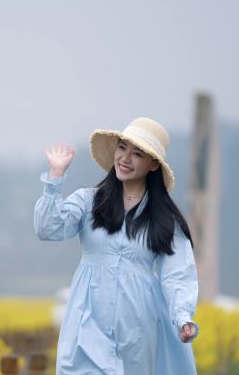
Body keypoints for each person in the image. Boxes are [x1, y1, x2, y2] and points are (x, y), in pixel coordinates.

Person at [34, 117, 199, 375]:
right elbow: (48, 228)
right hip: (87, 320)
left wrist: (182, 316)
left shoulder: (165, 220)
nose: (125, 158)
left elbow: (177, 274)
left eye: (137, 154)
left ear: (153, 164)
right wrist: (55, 177)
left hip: (138, 326)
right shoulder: (88, 201)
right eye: (122, 148)